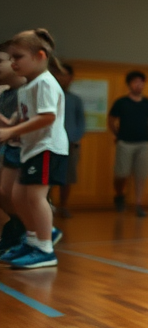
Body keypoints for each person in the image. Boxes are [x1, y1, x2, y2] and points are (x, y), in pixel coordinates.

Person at [0, 29, 69, 269]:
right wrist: (9, 125)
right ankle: (31, 241)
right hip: (31, 148)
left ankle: (45, 248)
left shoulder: (45, 83)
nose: (12, 62)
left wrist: (10, 133)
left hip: (47, 148)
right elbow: (22, 118)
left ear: (40, 56)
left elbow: (47, 117)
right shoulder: (28, 87)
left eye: (17, 57)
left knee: (35, 197)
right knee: (18, 197)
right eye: (10, 58)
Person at [108, 70, 148, 216]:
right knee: (121, 173)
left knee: (141, 174)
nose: (139, 85)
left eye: (141, 82)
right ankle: (119, 195)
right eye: (135, 82)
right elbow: (111, 120)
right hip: (125, 142)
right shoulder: (121, 102)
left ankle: (138, 204)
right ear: (129, 84)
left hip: (143, 143)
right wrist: (117, 134)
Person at [0, 43, 27, 254]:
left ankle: (30, 231)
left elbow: (17, 127)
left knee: (17, 196)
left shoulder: (28, 92)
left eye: (0, 62)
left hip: (24, 152)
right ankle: (17, 228)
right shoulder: (6, 94)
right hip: (8, 149)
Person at [56, 63, 85, 217]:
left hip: (70, 144)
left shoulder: (75, 99)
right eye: (59, 74)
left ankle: (63, 206)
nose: (62, 77)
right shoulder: (50, 95)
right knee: (47, 177)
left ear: (71, 78)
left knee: (67, 178)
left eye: (65, 74)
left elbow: (81, 121)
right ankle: (47, 205)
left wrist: (76, 137)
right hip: (51, 144)